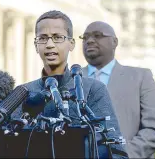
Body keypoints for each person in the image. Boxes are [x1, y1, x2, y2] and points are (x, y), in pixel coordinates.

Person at [12, 10, 127, 158]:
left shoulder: (93, 89)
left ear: (71, 44)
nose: (49, 44)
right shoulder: (22, 92)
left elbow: (116, 151)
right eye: (42, 38)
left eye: (57, 37)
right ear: (36, 45)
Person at [81, 21, 155, 158]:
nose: (89, 41)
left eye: (97, 35)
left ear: (115, 42)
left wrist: (121, 154)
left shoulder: (140, 78)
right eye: (85, 37)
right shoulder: (68, 81)